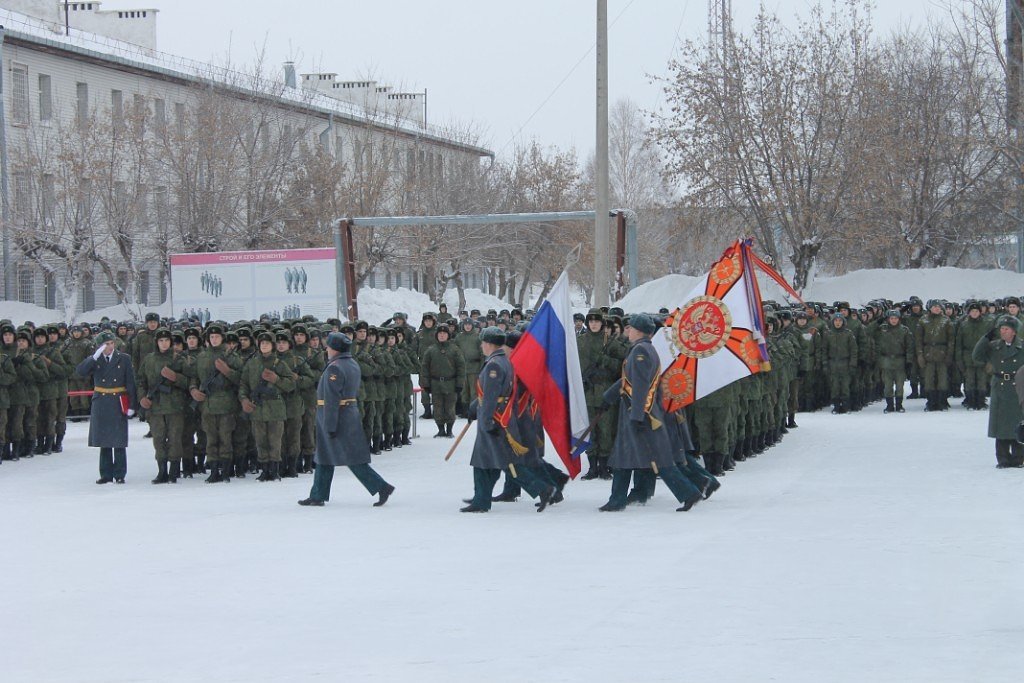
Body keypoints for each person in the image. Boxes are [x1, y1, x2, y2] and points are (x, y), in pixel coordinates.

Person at [599, 314, 703, 512]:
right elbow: (627, 380)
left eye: (630, 328)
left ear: (639, 331)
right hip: (637, 411)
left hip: (640, 413)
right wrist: (609, 396)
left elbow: (640, 387)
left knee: (655, 458)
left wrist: (637, 416)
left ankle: (688, 493)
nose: (627, 331)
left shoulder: (641, 352)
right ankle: (618, 498)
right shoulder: (642, 349)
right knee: (629, 456)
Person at [461, 327, 555, 513]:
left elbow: (490, 396)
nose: (481, 345)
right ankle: (481, 498)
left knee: (505, 463)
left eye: (482, 342)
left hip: (495, 418)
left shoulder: (494, 365)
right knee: (485, 461)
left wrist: (487, 421)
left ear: (488, 344)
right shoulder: (504, 361)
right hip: (501, 416)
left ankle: (541, 489)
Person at [298, 332, 395, 507]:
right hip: (346, 412)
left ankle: (381, 486)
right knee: (324, 456)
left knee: (351, 458)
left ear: (334, 348)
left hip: (336, 414)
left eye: (328, 346)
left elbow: (332, 398)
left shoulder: (335, 367)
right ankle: (318, 494)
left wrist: (330, 424)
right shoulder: (351, 363)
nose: (326, 349)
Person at [75, 331, 138, 484]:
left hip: (118, 400)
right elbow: (80, 372)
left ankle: (120, 473)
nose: (109, 347)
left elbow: (130, 382)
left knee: (118, 440)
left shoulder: (124, 359)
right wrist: (93, 357)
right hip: (101, 401)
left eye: (111, 344)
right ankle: (106, 474)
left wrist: (132, 404)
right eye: (105, 345)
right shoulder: (96, 360)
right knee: (104, 440)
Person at [974, 316, 1024, 468]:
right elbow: (976, 356)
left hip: (1018, 387)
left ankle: (1018, 458)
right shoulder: (994, 346)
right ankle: (1002, 458)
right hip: (1000, 386)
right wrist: (985, 338)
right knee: (1000, 423)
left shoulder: (1021, 347)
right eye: (1001, 329)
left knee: (1017, 422)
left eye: (1006, 329)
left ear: (1014, 332)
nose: (1003, 332)